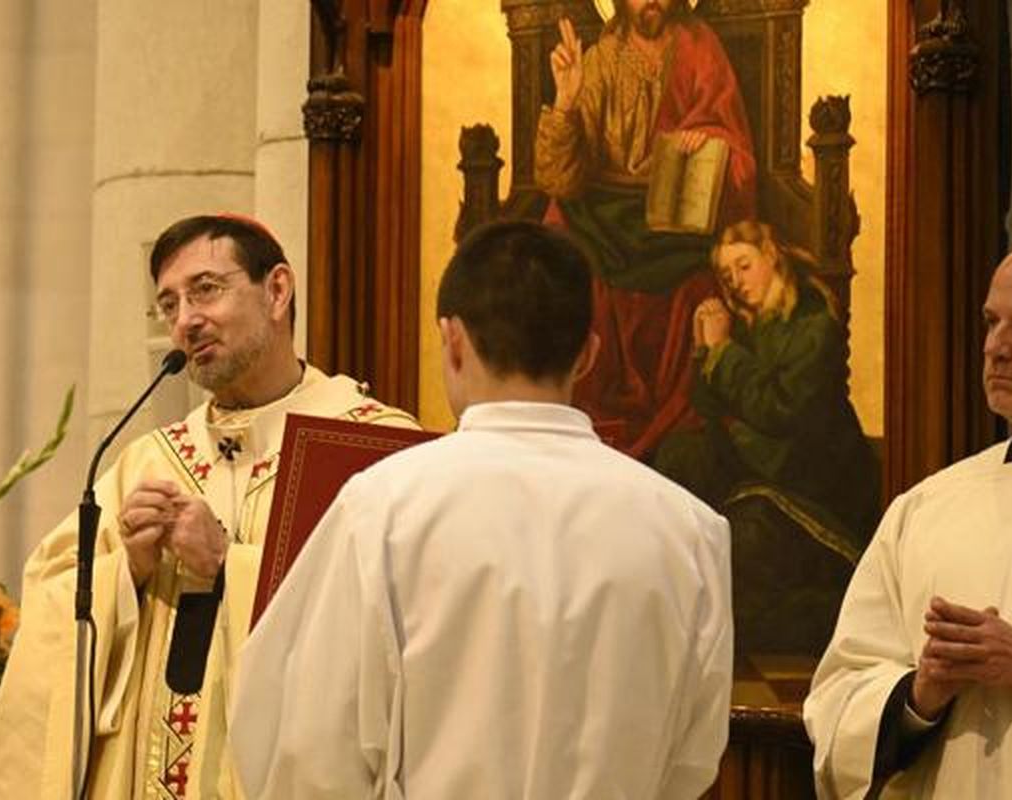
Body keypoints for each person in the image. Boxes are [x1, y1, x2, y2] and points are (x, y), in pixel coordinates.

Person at [229, 221, 733, 798]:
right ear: (589, 355)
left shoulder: (384, 508)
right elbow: (693, 759)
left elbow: (304, 748)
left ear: (453, 340)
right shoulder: (691, 531)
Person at [0, 214, 418, 799]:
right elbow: (52, 600)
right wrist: (126, 574)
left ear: (278, 291)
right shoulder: (146, 462)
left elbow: (399, 624)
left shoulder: (371, 449)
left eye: (206, 290)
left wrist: (229, 566)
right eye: (169, 305)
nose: (186, 320)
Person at [805, 251, 1012, 797]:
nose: (998, 347)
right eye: (992, 323)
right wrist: (918, 696)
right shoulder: (925, 508)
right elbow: (841, 693)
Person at [536, 0, 757, 458]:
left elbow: (733, 140)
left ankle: (673, 441)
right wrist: (567, 101)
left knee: (692, 292)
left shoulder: (699, 47)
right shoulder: (598, 60)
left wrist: (709, 139)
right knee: (577, 283)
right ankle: (586, 434)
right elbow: (561, 179)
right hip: (602, 211)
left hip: (672, 215)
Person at [654, 220, 879, 653]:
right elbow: (709, 408)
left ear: (772, 259)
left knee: (745, 545)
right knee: (678, 455)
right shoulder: (750, 321)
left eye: (744, 266)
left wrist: (722, 352)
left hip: (813, 486)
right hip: (762, 464)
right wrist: (705, 348)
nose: (736, 283)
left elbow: (779, 410)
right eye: (726, 275)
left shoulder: (814, 322)